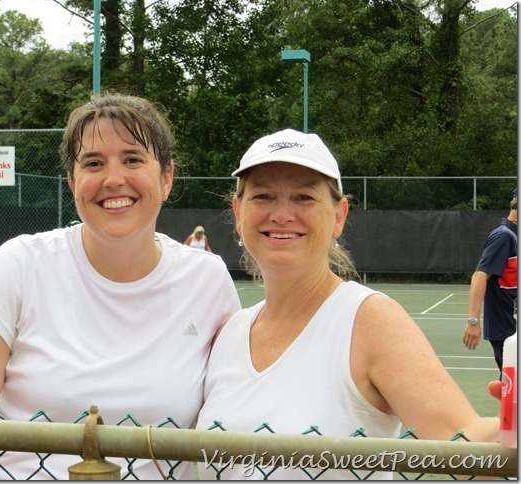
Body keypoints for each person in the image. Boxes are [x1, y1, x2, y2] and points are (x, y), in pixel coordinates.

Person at [0, 92, 241, 480]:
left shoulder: (206, 280)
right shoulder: (20, 265)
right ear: (73, 182)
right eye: (93, 163)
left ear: (166, 177)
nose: (113, 178)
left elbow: (239, 417)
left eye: (133, 159)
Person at [196, 129, 500, 480]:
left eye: (304, 197)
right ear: (237, 212)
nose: (281, 214)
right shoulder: (228, 334)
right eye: (263, 196)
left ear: (339, 216)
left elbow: (464, 442)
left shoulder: (368, 320)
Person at [463, 189, 518, 375]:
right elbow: (479, 276)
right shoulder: (504, 236)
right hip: (506, 329)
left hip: (514, 327)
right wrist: (473, 321)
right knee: (513, 391)